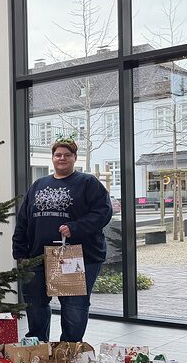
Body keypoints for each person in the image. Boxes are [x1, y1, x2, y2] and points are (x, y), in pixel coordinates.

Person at [12, 137, 112, 342]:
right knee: (35, 304)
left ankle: (70, 350)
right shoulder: (38, 185)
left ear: (75, 158)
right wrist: (20, 253)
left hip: (75, 257)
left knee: (74, 305)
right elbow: (23, 220)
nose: (62, 158)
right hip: (38, 257)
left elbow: (103, 212)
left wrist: (75, 228)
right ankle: (38, 347)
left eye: (67, 155)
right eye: (58, 155)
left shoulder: (88, 182)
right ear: (52, 158)